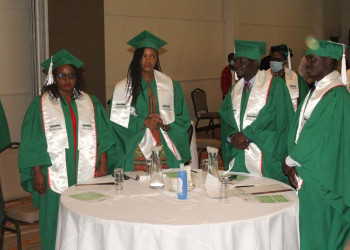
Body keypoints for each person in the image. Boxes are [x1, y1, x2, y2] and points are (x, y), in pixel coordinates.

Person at [18, 49, 115, 250]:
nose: (67, 80)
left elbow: (103, 135)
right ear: (54, 78)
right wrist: (37, 172)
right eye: (62, 75)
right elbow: (33, 141)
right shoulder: (40, 105)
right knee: (54, 221)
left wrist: (103, 163)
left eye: (71, 76)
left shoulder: (90, 102)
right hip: (52, 174)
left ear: (77, 78)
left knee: (88, 217)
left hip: (87, 172)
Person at [282, 38, 350, 249]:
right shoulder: (317, 89)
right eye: (307, 58)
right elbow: (298, 128)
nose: (307, 64)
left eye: (312, 59)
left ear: (329, 60)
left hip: (322, 175)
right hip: (308, 168)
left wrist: (290, 160)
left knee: (320, 230)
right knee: (309, 227)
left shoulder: (336, 95)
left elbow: (317, 136)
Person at [110, 30, 191, 171]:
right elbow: (116, 122)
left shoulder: (171, 86)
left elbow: (183, 119)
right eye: (143, 56)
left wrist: (164, 123)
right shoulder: (122, 88)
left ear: (157, 59)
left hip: (165, 142)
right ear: (136, 59)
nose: (148, 61)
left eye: (152, 56)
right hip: (135, 146)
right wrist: (143, 122)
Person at [220, 39, 294, 183]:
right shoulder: (234, 90)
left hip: (265, 156)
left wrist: (247, 135)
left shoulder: (275, 86)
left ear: (255, 63)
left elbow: (278, 120)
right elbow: (226, 119)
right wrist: (232, 137)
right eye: (235, 61)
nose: (237, 65)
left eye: (242, 60)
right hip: (238, 155)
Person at [267, 44, 309, 111]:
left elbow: (303, 102)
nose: (274, 62)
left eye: (278, 59)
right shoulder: (263, 77)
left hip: (289, 117)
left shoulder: (297, 79)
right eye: (272, 59)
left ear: (285, 61)